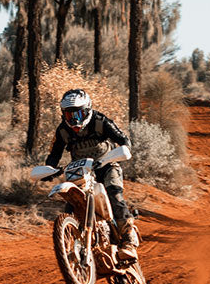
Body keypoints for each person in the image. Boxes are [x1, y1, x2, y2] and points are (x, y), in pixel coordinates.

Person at [45, 89, 140, 260]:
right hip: (81, 171)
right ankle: (71, 247)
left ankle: (128, 239)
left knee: (114, 195)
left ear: (87, 110)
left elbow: (123, 140)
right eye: (69, 115)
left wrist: (123, 149)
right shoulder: (62, 131)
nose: (74, 119)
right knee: (71, 205)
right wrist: (49, 169)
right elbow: (54, 154)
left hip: (106, 165)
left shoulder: (100, 121)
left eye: (78, 114)